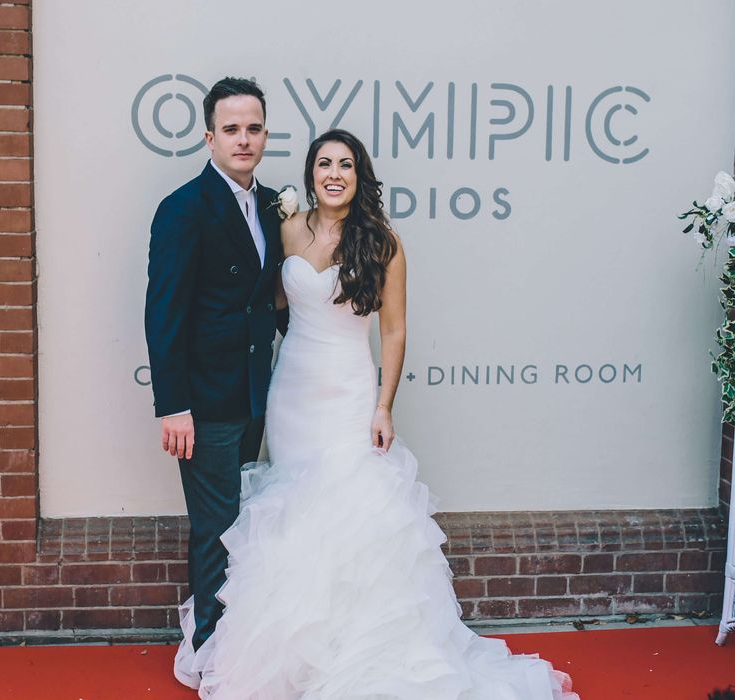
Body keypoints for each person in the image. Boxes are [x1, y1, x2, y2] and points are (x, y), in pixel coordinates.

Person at [179, 129, 579, 699]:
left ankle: (356, 653)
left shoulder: (383, 243)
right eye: (323, 163)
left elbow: (393, 331)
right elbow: (261, 307)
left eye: (345, 164)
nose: (334, 173)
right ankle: (300, 656)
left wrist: (383, 406)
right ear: (310, 173)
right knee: (297, 513)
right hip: (291, 392)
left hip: (348, 392)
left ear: (359, 175)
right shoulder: (288, 228)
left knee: (350, 510)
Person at [144, 77, 284, 687]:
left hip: (255, 394)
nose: (243, 139)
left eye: (253, 128)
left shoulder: (275, 204)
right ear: (208, 137)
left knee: (245, 525)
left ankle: (240, 645)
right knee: (215, 531)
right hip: (204, 402)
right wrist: (173, 405)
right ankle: (208, 657)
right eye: (231, 128)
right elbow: (164, 312)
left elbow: (267, 300)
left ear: (265, 134)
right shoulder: (182, 209)